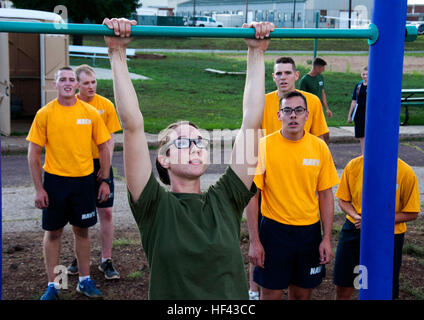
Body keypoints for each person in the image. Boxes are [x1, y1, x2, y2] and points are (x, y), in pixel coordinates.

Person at [103, 17, 274, 299]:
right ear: (164, 159)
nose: (195, 146)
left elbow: (251, 123)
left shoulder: (226, 199)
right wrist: (117, 52)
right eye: (183, 142)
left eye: (199, 141)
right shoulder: (154, 206)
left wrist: (256, 52)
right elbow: (133, 126)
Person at [247, 56, 330, 300]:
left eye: (298, 111)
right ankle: (252, 289)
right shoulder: (264, 145)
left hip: (309, 231)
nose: (293, 115)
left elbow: (325, 193)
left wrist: (326, 237)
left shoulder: (318, 147)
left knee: (302, 294)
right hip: (274, 229)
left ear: (307, 115)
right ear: (279, 114)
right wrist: (254, 240)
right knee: (270, 293)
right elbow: (252, 194)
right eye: (287, 111)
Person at [27, 67, 111, 300]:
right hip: (55, 182)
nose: (67, 83)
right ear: (55, 84)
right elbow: (33, 153)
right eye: (62, 79)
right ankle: (53, 286)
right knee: (53, 233)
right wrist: (39, 188)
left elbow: (104, 147)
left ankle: (84, 280)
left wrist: (104, 180)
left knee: (82, 231)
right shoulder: (45, 114)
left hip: (84, 181)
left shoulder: (90, 112)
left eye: (71, 80)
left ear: (76, 85)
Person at [334, 155, 420, 300]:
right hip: (356, 229)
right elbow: (343, 200)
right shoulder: (354, 165)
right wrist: (356, 216)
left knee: (384, 286)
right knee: (344, 284)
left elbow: (412, 212)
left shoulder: (405, 171)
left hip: (389, 235)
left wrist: (378, 221)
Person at [66, 64, 122, 280]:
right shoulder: (70, 106)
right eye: (86, 83)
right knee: (79, 215)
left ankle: (106, 260)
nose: (91, 86)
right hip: (78, 166)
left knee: (105, 212)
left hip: (100, 164)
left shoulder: (105, 105)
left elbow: (110, 140)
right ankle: (79, 257)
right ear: (77, 84)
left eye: (94, 82)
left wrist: (105, 172)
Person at [299, 57, 332, 144]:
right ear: (316, 67)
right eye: (322, 67)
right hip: (309, 111)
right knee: (312, 133)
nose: (324, 69)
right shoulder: (305, 80)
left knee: (325, 133)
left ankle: (324, 151)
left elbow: (322, 92)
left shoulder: (320, 77)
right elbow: (301, 98)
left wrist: (327, 109)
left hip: (319, 110)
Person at [347, 67, 368, 155]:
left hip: (369, 113)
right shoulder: (358, 86)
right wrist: (350, 116)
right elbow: (354, 101)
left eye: (367, 74)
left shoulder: (374, 85)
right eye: (363, 74)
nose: (365, 76)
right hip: (359, 113)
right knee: (361, 135)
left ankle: (369, 153)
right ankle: (363, 154)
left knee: (368, 134)